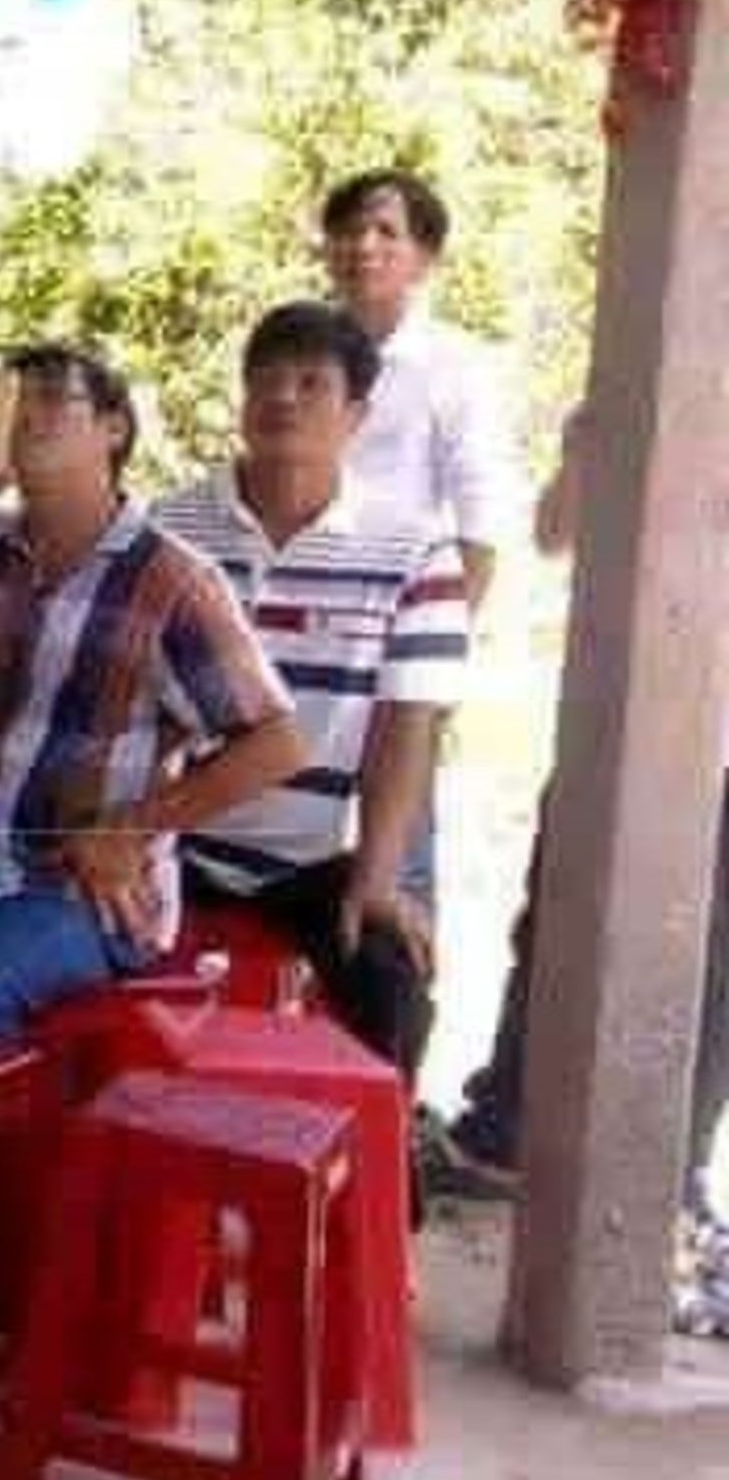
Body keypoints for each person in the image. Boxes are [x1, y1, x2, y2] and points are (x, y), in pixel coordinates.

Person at [0, 345, 311, 1034]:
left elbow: (279, 742)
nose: (27, 413)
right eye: (13, 399)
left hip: (81, 892)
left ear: (113, 427)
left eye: (52, 396)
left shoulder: (172, 578)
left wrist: (130, 832)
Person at [440, 412, 729, 1324]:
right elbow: (556, 529)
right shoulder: (664, 399)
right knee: (555, 921)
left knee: (710, 967)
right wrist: (587, 445)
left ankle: (668, 1178)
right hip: (630, 712)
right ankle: (505, 1132)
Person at [153, 305, 470, 1084]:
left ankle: (380, 1159)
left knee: (392, 981)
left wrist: (376, 877)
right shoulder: (167, 529)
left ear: (356, 414)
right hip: (167, 846)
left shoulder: (415, 550)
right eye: (265, 380)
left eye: (310, 384)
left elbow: (408, 726)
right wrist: (134, 840)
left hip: (304, 866)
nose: (283, 399)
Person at [318, 172, 526, 617]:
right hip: (293, 599)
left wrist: (448, 630)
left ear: (424, 260)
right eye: (349, 231)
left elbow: (481, 514)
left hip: (398, 605)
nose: (364, 246)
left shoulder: (457, 367)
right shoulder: (297, 351)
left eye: (386, 232)